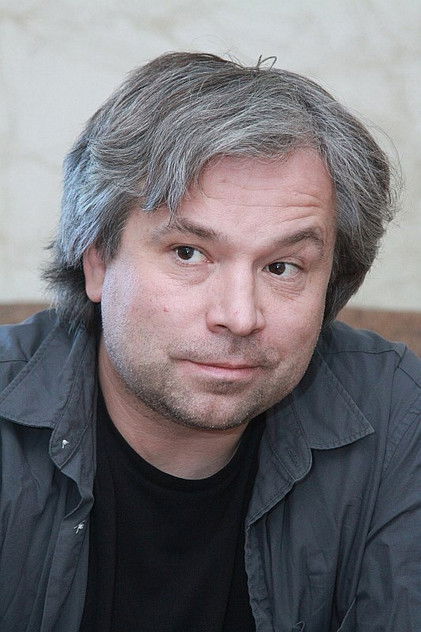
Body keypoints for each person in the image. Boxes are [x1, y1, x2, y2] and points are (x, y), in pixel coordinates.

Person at [0, 52, 419, 632]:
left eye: (282, 267)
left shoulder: (397, 411)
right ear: (97, 260)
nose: (239, 317)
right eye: (188, 253)